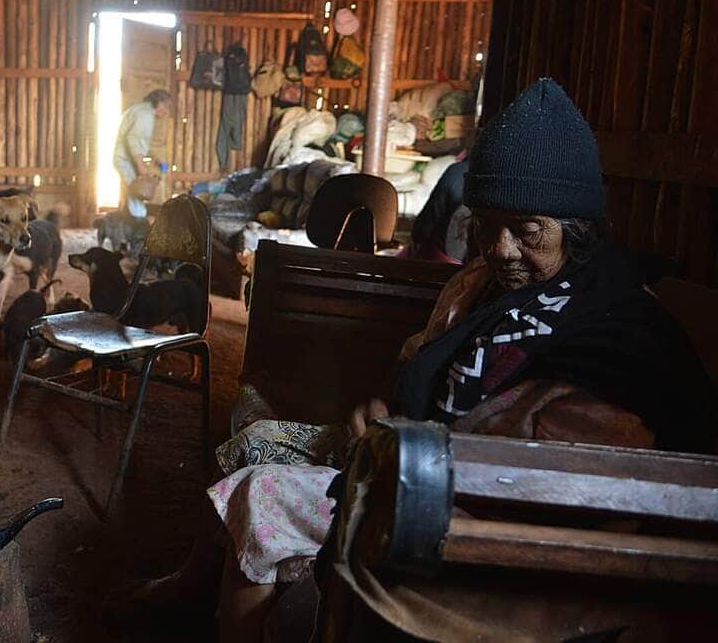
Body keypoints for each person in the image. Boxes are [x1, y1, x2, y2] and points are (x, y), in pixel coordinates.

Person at [116, 79, 718, 642]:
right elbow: (417, 366)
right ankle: (195, 588)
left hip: (466, 524)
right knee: (252, 444)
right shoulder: (481, 285)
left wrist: (396, 450)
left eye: (527, 231)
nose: (501, 250)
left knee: (263, 490)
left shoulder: (613, 339)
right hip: (415, 461)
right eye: (486, 227)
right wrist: (385, 405)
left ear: (575, 229)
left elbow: (558, 493)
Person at [114, 89, 170, 219]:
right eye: (167, 106)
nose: (166, 110)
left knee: (132, 191)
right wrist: (141, 166)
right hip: (124, 159)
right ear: (160, 103)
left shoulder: (139, 110)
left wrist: (153, 157)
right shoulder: (146, 115)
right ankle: (139, 227)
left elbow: (138, 140)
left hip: (123, 157)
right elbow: (133, 139)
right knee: (136, 193)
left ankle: (130, 223)